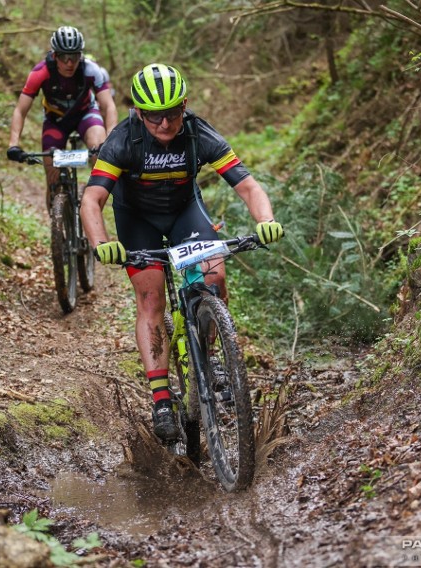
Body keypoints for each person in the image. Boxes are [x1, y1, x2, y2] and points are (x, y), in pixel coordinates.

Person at [80, 63, 284, 442]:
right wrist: (103, 244)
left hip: (184, 213)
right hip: (136, 218)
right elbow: (92, 200)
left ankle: (213, 353)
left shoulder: (197, 132)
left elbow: (249, 187)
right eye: (154, 116)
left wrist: (265, 219)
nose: (164, 124)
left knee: (213, 277)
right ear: (139, 113)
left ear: (185, 106)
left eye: (173, 113)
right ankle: (160, 398)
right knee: (151, 297)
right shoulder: (123, 139)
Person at [6, 26, 117, 206]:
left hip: (86, 115)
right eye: (64, 57)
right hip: (55, 121)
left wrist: (112, 136)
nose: (69, 63)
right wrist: (14, 143)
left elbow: (108, 105)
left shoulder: (91, 70)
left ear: (80, 56)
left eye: (74, 56)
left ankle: (93, 204)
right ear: (54, 55)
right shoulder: (40, 73)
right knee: (53, 177)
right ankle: (56, 227)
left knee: (101, 152)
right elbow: (20, 110)